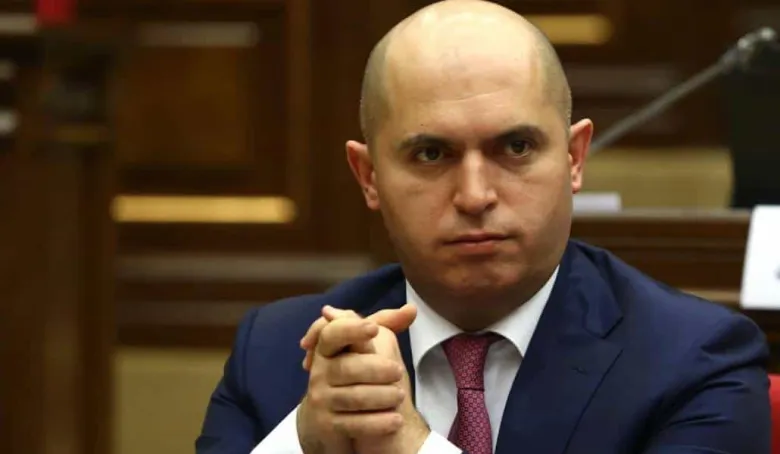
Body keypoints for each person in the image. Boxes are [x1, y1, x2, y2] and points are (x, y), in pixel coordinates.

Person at [195, 1, 771, 453]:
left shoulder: (695, 361)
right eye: (430, 154)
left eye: (516, 147)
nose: (475, 196)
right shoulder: (275, 357)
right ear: (368, 177)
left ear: (574, 159)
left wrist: (409, 444)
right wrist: (303, 442)